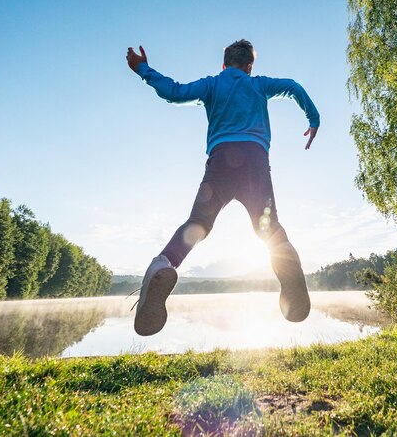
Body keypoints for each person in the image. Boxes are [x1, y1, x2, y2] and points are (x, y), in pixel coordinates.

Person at [126, 39, 320, 336]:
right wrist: (313, 118)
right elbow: (293, 86)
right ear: (249, 66)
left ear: (224, 64)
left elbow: (174, 92)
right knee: (268, 228)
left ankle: (164, 263)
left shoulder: (212, 85)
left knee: (199, 223)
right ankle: (286, 257)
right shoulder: (259, 85)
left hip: (220, 164)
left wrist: (143, 69)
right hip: (255, 162)